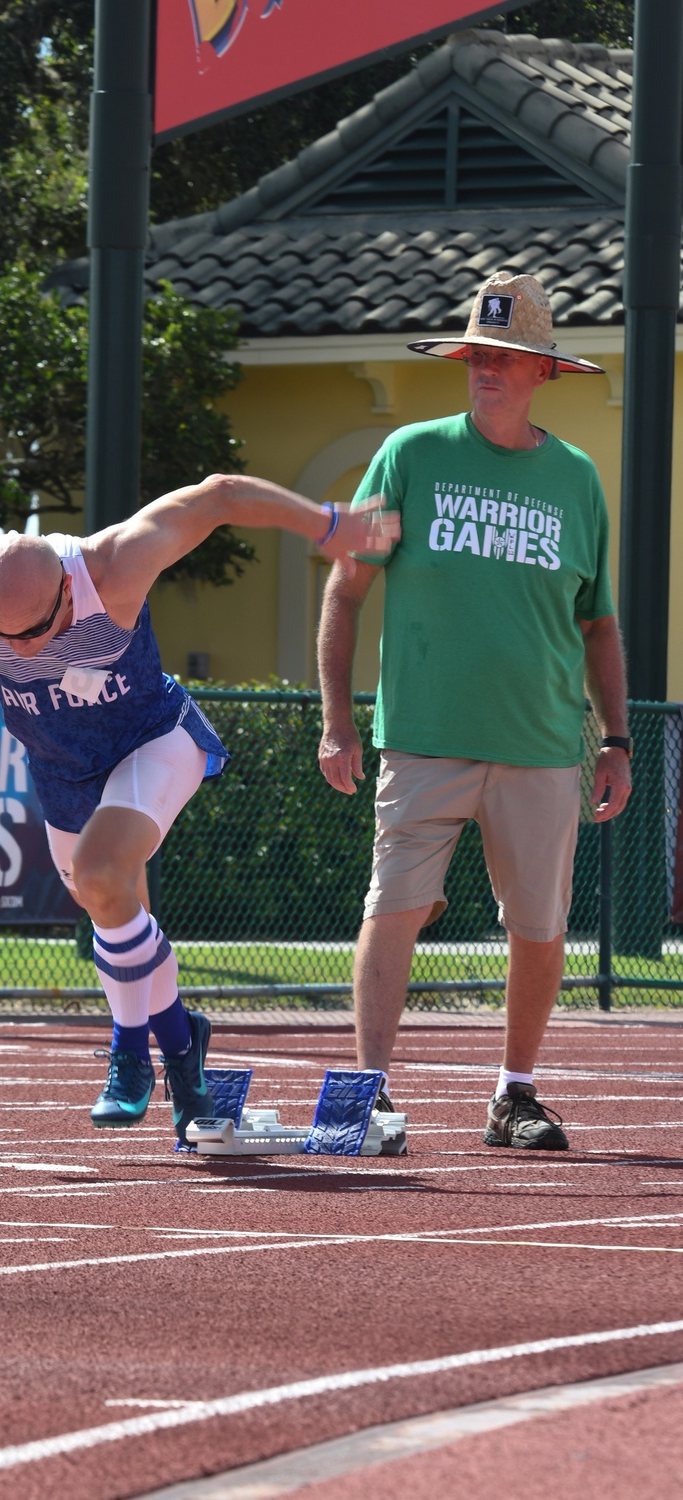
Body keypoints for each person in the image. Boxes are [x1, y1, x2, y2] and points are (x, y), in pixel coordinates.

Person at [0, 474, 398, 1144]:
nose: (19, 651)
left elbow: (217, 497)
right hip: (63, 775)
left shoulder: (115, 562)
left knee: (102, 871)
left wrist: (329, 524)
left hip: (153, 741)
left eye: (38, 631)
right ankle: (184, 1056)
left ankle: (130, 1051)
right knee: (113, 909)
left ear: (68, 589)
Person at [317, 271, 632, 1151]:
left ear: (544, 372)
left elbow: (599, 623)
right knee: (393, 906)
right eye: (476, 354)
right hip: (421, 738)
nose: (485, 368)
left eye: (505, 357)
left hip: (540, 746)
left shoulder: (577, 480)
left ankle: (514, 1094)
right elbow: (346, 592)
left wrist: (616, 741)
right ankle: (370, 1089)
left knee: (539, 927)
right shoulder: (411, 455)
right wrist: (337, 722)